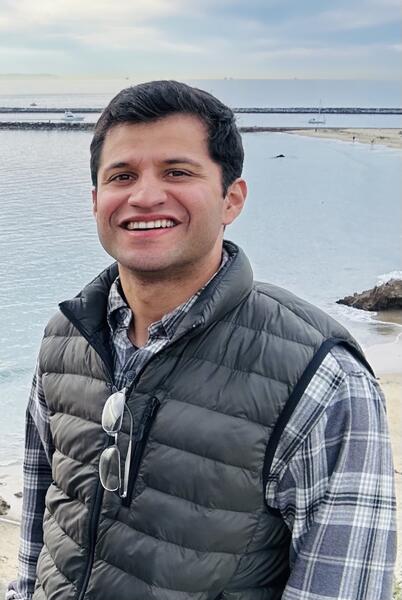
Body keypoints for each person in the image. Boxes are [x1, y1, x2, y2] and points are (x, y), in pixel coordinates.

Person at [8, 80, 396, 600]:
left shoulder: (322, 377)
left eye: (177, 172)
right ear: (97, 200)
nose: (145, 195)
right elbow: (38, 523)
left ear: (231, 198)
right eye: (122, 175)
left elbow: (341, 585)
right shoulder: (66, 337)